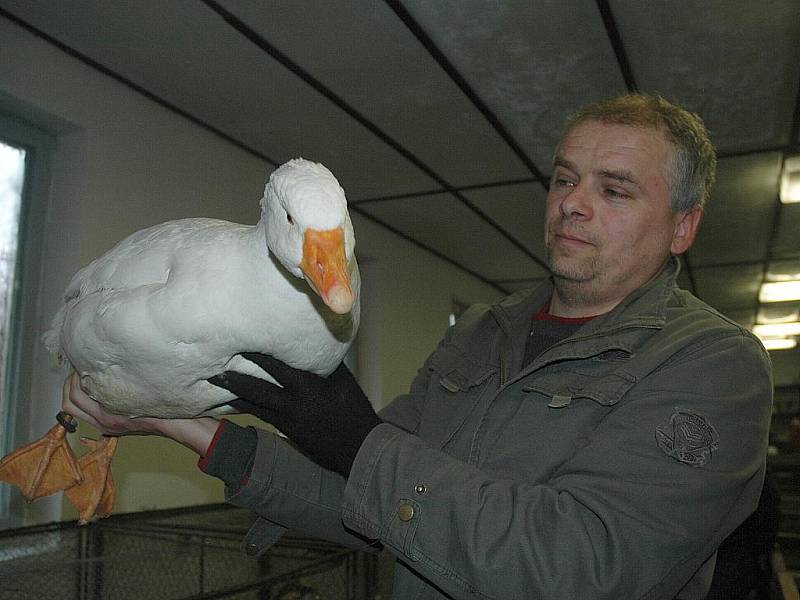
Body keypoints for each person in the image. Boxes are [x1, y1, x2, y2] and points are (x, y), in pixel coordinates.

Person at [63, 93, 773, 599]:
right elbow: (368, 503)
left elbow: (588, 567)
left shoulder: (714, 364)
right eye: (564, 178)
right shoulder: (483, 334)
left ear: (683, 227)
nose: (571, 203)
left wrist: (360, 444)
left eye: (614, 190)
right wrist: (185, 426)